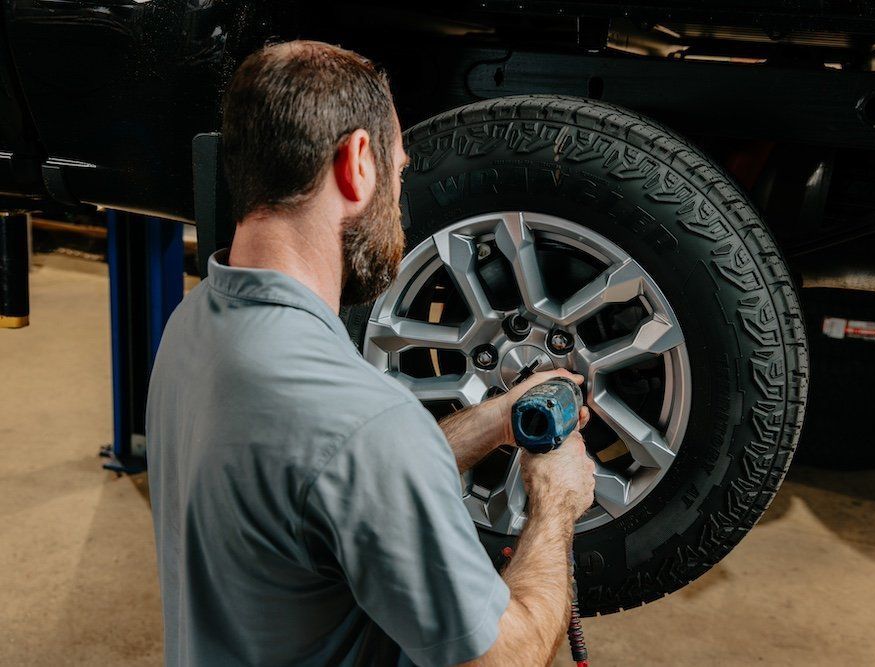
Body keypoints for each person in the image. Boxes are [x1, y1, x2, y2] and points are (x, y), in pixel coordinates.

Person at [146, 40, 595, 666]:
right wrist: (556, 507)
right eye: (401, 169)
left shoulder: (193, 325)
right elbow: (501, 661)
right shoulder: (364, 424)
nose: (401, 201)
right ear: (358, 163)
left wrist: (494, 422)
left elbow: (331, 484)